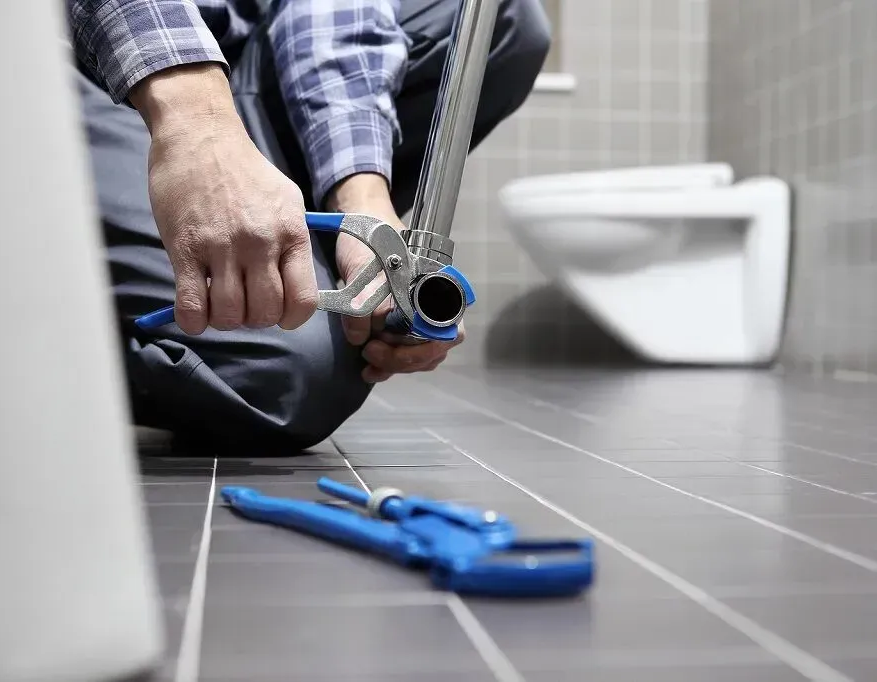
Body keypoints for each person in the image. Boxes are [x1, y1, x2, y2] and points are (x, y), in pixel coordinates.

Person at [66, 0, 551, 451]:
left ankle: (287, 255)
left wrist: (364, 202)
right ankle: (36, 335)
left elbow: (332, 14)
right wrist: (197, 127)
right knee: (289, 377)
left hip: (237, 52)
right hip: (86, 58)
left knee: (507, 20)